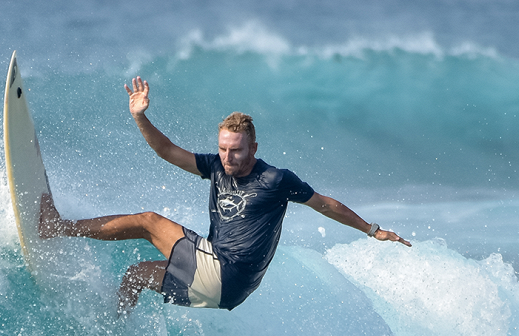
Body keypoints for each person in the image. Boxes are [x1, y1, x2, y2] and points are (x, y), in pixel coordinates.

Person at [39, 76, 411, 314]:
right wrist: (140, 117)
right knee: (134, 276)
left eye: (236, 150)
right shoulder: (215, 167)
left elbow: (324, 203)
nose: (227, 158)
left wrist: (370, 229)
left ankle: (56, 227)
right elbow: (167, 151)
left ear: (253, 147)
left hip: (229, 272)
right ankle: (116, 332)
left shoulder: (275, 179)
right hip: (223, 285)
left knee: (148, 222)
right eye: (222, 149)